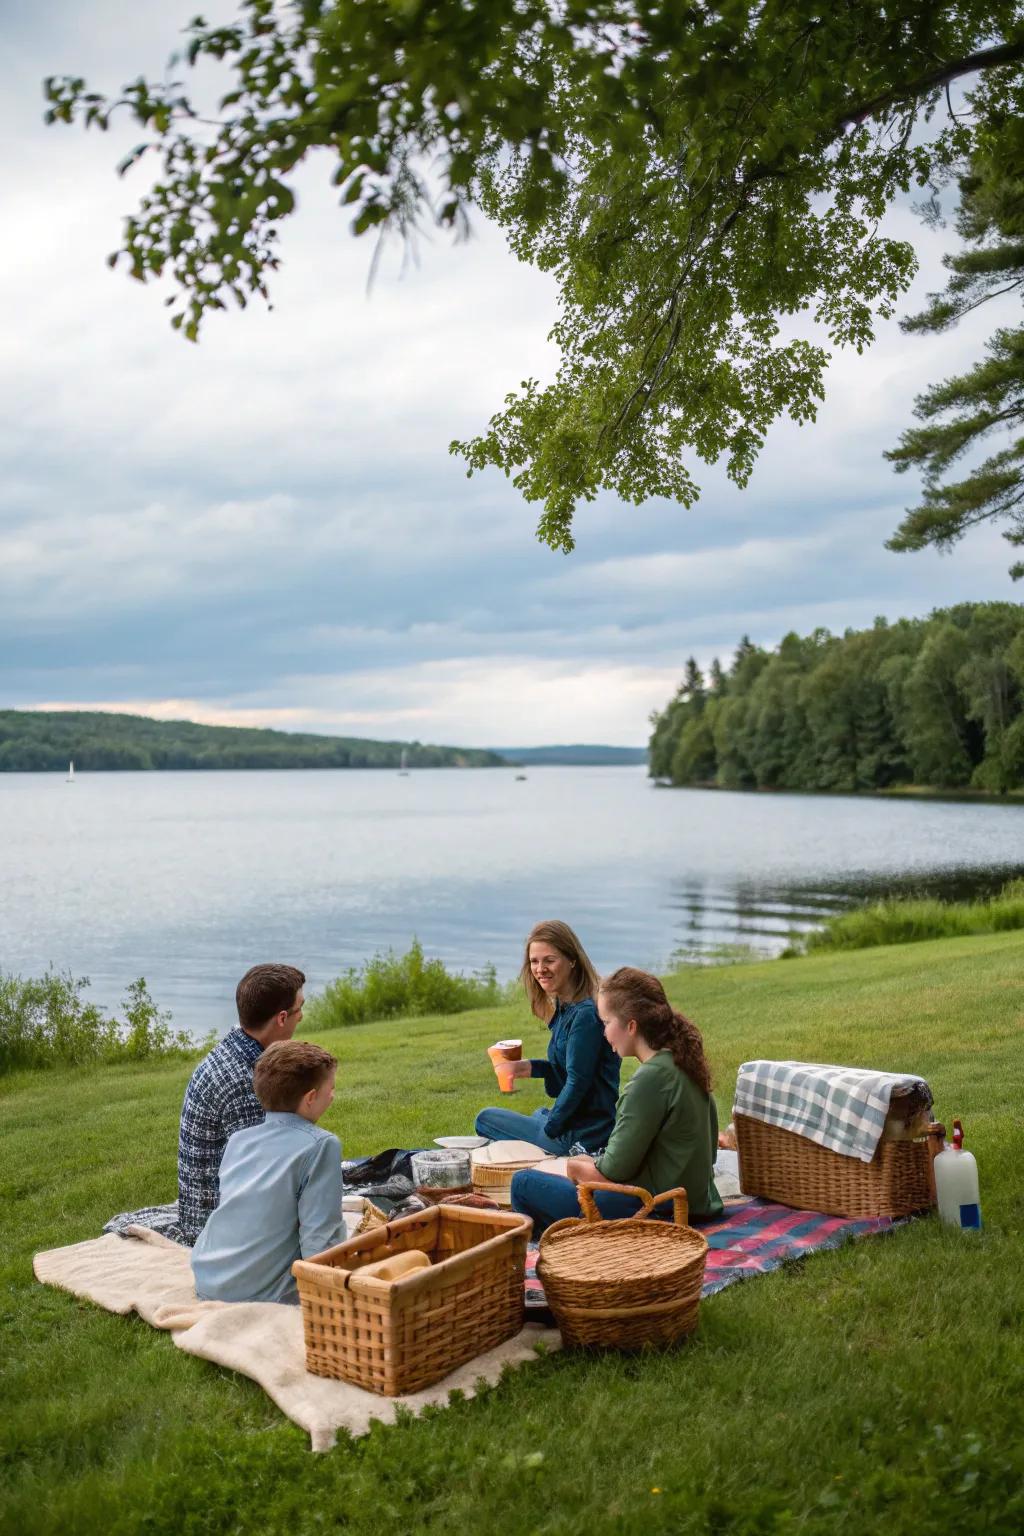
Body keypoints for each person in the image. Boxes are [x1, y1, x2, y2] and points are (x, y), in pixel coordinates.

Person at [510, 967, 723, 1235]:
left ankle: (567, 1252)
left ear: (631, 1026)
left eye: (607, 1023)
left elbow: (615, 1169)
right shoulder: (683, 1062)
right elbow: (710, 1153)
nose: (604, 1034)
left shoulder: (650, 1079)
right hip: (696, 1201)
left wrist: (577, 1166)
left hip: (656, 1210)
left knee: (524, 1183)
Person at [191, 1040, 346, 1304]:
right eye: (330, 1089)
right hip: (262, 1293)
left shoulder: (238, 1140)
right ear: (310, 1098)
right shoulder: (321, 1146)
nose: (332, 1095)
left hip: (208, 1277)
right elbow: (321, 1243)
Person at [177, 963, 306, 1244]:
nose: (302, 1017)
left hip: (204, 1212)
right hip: (218, 1231)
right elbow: (260, 1182)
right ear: (282, 1018)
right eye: (300, 1009)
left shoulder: (236, 1052)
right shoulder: (246, 1082)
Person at [475, 920, 619, 1154]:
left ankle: (547, 1152)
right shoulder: (567, 1007)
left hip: (582, 1135)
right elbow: (565, 1072)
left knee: (486, 1119)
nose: (540, 969)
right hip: (579, 1124)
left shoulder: (585, 1015)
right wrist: (524, 1068)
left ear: (572, 960)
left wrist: (550, 1129)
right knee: (537, 1115)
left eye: (549, 960)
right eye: (534, 961)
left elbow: (577, 1083)